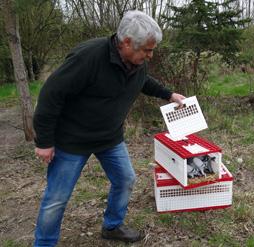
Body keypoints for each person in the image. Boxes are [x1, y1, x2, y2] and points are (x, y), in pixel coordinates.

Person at [33, 10, 185, 246]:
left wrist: (169, 94)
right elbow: (51, 95)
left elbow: (143, 80)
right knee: (57, 199)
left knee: (125, 179)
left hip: (109, 137)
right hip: (72, 140)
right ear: (126, 43)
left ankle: (112, 226)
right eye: (147, 49)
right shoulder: (88, 57)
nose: (151, 55)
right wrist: (44, 141)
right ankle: (44, 243)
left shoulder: (136, 62)